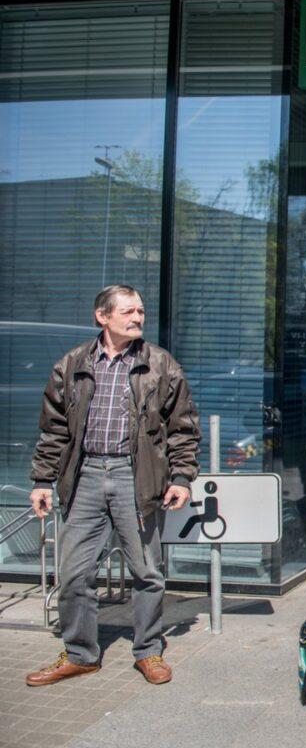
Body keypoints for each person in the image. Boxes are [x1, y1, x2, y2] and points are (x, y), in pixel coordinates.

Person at [26, 285, 200, 687]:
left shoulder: (160, 364)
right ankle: (80, 655)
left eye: (140, 311)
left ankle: (149, 651)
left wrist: (181, 477)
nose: (138, 318)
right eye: (128, 312)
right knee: (74, 573)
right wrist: (42, 479)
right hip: (84, 476)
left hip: (135, 477)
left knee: (147, 572)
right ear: (102, 317)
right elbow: (54, 429)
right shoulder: (73, 363)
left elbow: (183, 428)